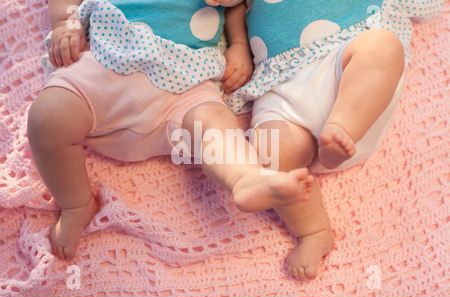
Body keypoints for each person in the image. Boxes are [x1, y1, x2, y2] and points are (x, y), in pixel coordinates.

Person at [27, 0, 314, 261]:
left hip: (186, 84)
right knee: (47, 118)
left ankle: (245, 178)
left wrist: (239, 45)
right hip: (109, 61)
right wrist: (67, 23)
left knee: (214, 126)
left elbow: (236, 7)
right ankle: (76, 204)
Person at [223, 0, 444, 280]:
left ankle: (341, 127)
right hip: (280, 84)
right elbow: (230, 7)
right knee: (270, 146)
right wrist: (239, 46)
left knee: (382, 45)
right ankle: (313, 231)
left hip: (346, 60)